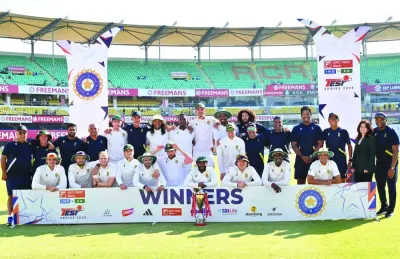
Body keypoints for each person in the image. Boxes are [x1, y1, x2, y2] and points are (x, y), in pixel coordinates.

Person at [1, 125, 33, 226]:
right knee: (11, 196)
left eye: (24, 133)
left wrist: (49, 143)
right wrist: (4, 172)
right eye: (20, 133)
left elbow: (43, 141)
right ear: (16, 133)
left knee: (25, 196)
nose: (23, 135)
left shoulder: (30, 144)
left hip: (27, 175)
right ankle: (10, 216)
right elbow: (3, 158)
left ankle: (24, 216)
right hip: (12, 176)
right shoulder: (10, 145)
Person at [373, 112, 399, 218]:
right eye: (377, 119)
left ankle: (391, 209)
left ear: (385, 120)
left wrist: (392, 167)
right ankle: (384, 206)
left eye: (381, 119)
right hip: (379, 163)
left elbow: (396, 151)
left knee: (391, 187)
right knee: (380, 185)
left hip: (390, 164)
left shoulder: (391, 132)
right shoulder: (374, 132)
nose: (378, 121)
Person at [291, 106, 324, 185]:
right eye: (303, 114)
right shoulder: (296, 128)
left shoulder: (316, 128)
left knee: (315, 183)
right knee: (300, 185)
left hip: (314, 160)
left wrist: (312, 156)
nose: (306, 115)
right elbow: (293, 145)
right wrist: (302, 156)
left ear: (310, 115)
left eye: (307, 113)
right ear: (301, 116)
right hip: (300, 160)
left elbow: (320, 144)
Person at [323, 113, 353, 183]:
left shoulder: (343, 132)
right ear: (328, 120)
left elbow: (349, 145)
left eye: (335, 118)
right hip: (330, 160)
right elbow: (320, 144)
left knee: (342, 180)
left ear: (338, 120)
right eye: (331, 118)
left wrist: (350, 159)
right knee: (330, 181)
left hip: (341, 159)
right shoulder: (326, 131)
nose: (333, 120)